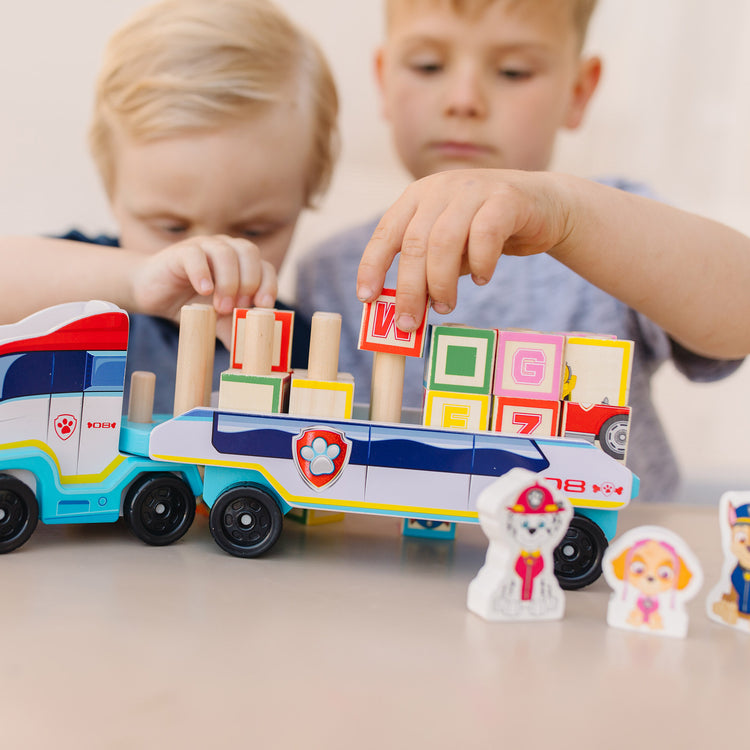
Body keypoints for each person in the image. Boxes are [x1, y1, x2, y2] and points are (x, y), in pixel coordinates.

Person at [295, 0, 745, 503]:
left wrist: (570, 216)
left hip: (612, 565)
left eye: (513, 71)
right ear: (383, 81)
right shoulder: (330, 273)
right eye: (427, 66)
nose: (464, 100)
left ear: (578, 92)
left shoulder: (614, 230)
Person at [0, 0, 338, 412]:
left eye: (254, 231)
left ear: (308, 194)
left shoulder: (305, 352)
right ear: (113, 189)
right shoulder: (76, 289)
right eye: (172, 228)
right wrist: (137, 280)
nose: (207, 266)